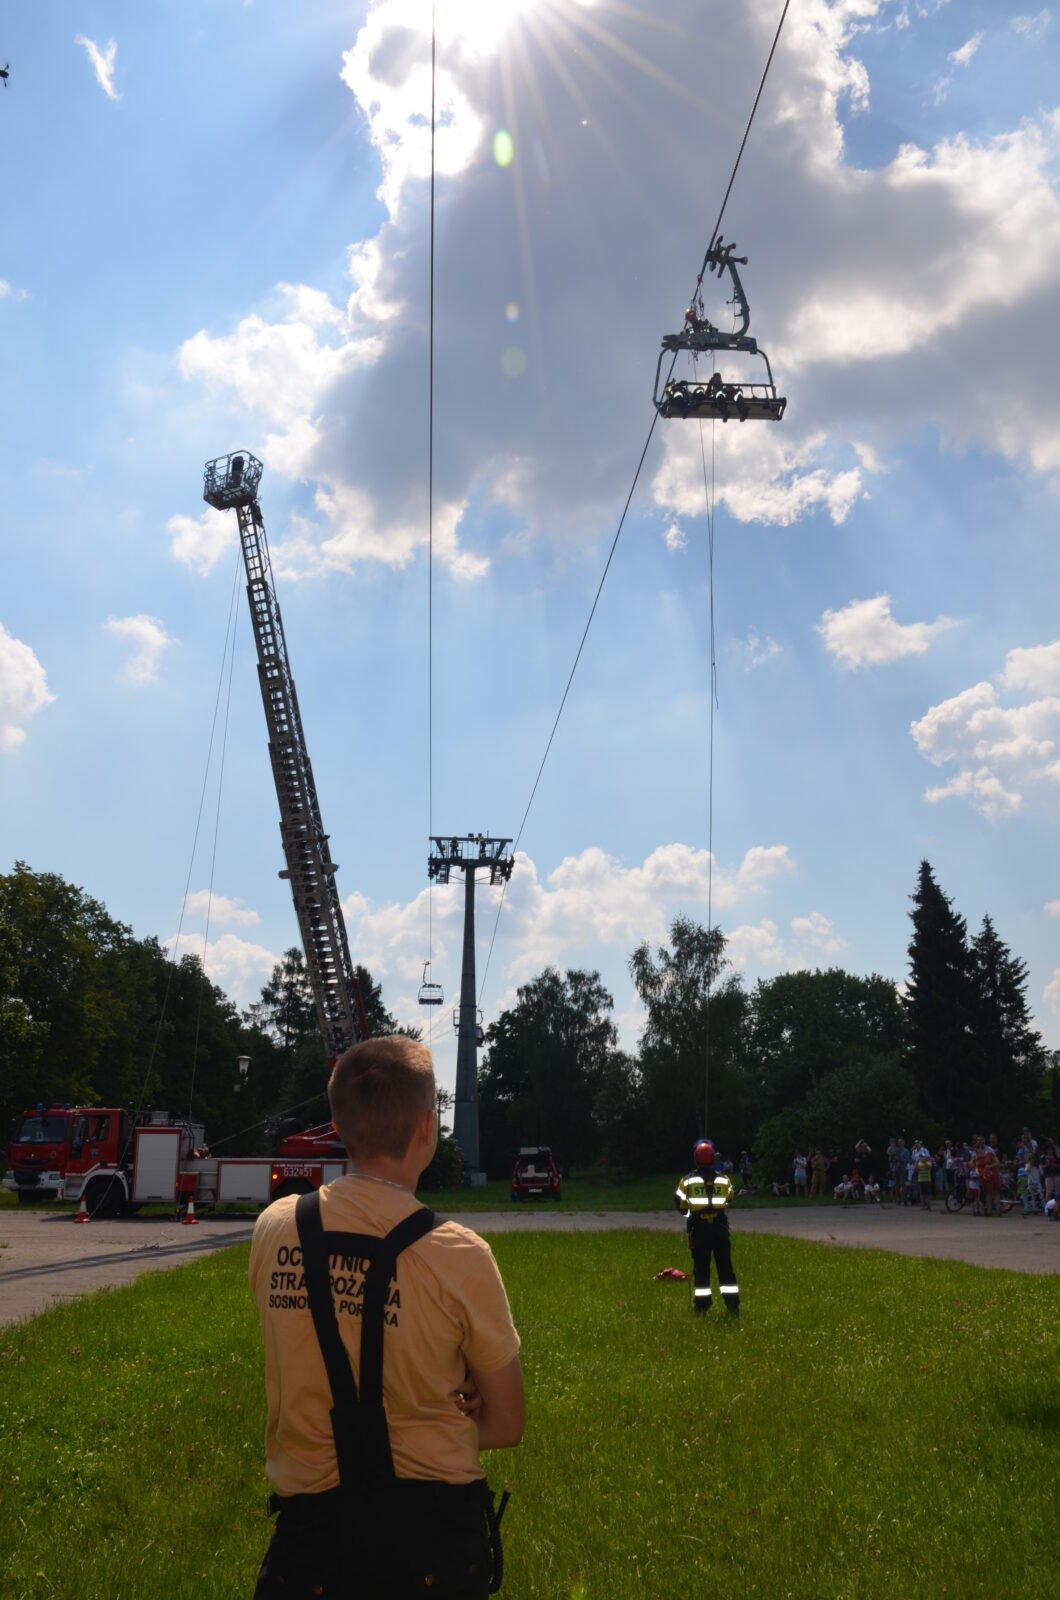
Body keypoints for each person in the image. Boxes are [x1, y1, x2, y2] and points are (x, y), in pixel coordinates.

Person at [249, 1036, 524, 1599]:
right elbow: (506, 1424)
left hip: (308, 1545)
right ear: (427, 1128)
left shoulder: (276, 1228)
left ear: (337, 1124)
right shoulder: (460, 1254)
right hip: (434, 1544)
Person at [675, 1140, 739, 1315]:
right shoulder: (724, 1180)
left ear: (696, 1158)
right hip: (720, 1228)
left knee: (701, 1269)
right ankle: (732, 1305)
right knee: (725, 1268)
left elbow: (681, 1205)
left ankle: (702, 1306)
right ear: (713, 1158)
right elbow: (729, 1198)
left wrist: (691, 1214)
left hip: (700, 1230)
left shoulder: (687, 1181)